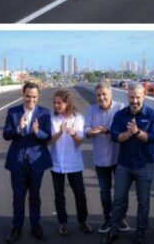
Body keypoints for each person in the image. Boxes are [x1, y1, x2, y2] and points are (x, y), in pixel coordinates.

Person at [102, 83, 154, 244]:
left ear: (143, 96)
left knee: (143, 201)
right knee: (118, 199)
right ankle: (113, 231)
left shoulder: (153, 115)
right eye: (132, 97)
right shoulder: (120, 115)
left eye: (138, 97)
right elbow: (114, 136)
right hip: (124, 165)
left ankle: (140, 234)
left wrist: (137, 132)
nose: (134, 100)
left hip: (145, 165)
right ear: (127, 97)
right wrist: (128, 133)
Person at [3, 82, 53, 242]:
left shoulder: (45, 113)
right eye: (28, 96)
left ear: (38, 97)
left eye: (34, 97)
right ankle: (17, 228)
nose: (30, 100)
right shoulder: (13, 112)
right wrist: (18, 128)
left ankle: (35, 227)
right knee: (18, 197)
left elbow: (48, 137)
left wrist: (38, 132)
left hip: (36, 162)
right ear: (23, 95)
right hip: (17, 161)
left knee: (35, 196)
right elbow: (6, 134)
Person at [84, 82, 128, 234]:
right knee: (104, 191)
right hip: (100, 158)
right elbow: (86, 129)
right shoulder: (91, 110)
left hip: (119, 158)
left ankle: (121, 217)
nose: (101, 97)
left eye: (104, 94)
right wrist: (92, 132)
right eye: (98, 95)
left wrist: (108, 130)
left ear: (111, 95)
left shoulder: (120, 107)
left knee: (121, 191)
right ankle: (107, 218)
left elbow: (123, 129)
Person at [48, 88, 92, 236]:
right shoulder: (51, 118)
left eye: (59, 103)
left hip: (74, 164)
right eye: (54, 103)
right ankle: (63, 222)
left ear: (67, 103)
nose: (56, 106)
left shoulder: (78, 118)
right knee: (59, 195)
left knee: (80, 193)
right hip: (56, 164)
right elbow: (48, 142)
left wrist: (73, 134)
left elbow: (79, 142)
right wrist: (60, 132)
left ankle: (83, 221)